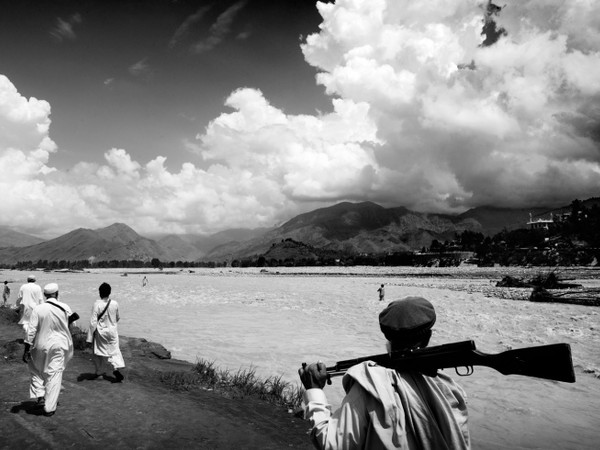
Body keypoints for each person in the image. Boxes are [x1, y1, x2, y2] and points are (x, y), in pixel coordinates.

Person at [298, 296, 470, 449]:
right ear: (428, 337)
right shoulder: (451, 390)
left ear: (388, 337)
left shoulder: (370, 386)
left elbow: (330, 444)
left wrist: (314, 390)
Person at [22, 283, 79, 417]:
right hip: (60, 345)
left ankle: (40, 396)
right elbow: (72, 326)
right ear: (57, 294)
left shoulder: (38, 309)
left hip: (41, 345)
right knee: (54, 374)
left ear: (44, 295)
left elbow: (31, 331)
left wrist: (26, 348)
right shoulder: (65, 307)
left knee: (35, 368)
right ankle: (49, 407)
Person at [86, 282, 125, 381]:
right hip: (113, 332)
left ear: (100, 293)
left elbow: (93, 322)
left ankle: (99, 372)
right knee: (113, 351)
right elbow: (118, 318)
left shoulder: (97, 304)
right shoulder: (115, 303)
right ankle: (115, 368)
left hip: (101, 332)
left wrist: (89, 338)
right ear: (109, 292)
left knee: (99, 353)